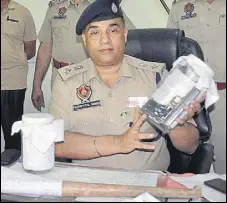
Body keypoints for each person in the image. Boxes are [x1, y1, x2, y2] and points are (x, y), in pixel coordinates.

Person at [49, 0, 205, 171]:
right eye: (95, 33)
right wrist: (119, 143)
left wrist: (175, 123)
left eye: (113, 30)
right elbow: (56, 144)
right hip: (88, 186)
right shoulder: (67, 81)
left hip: (147, 187)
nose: (105, 40)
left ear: (124, 34)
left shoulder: (156, 77)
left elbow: (191, 146)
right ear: (85, 40)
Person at [32, 0, 135, 112]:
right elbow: (45, 47)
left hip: (94, 78)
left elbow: (129, 38)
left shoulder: (103, 4)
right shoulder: (55, 7)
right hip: (62, 78)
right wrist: (37, 85)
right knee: (61, 123)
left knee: (95, 121)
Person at [167, 0, 226, 174]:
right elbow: (170, 53)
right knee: (190, 162)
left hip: (223, 95)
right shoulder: (179, 8)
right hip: (188, 98)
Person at [1, 0, 37, 151]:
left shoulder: (22, 12)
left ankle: (12, 168)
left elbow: (30, 50)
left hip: (12, 81)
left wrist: (10, 60)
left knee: (12, 134)